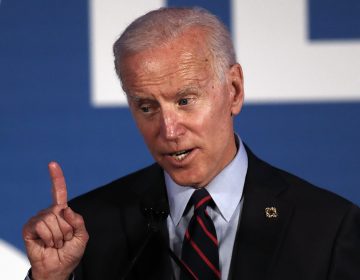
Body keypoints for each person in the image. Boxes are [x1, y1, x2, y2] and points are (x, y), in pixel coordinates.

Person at [23, 7, 360, 280]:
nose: (168, 130)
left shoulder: (328, 227)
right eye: (147, 107)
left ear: (234, 90)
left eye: (185, 100)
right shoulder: (87, 231)